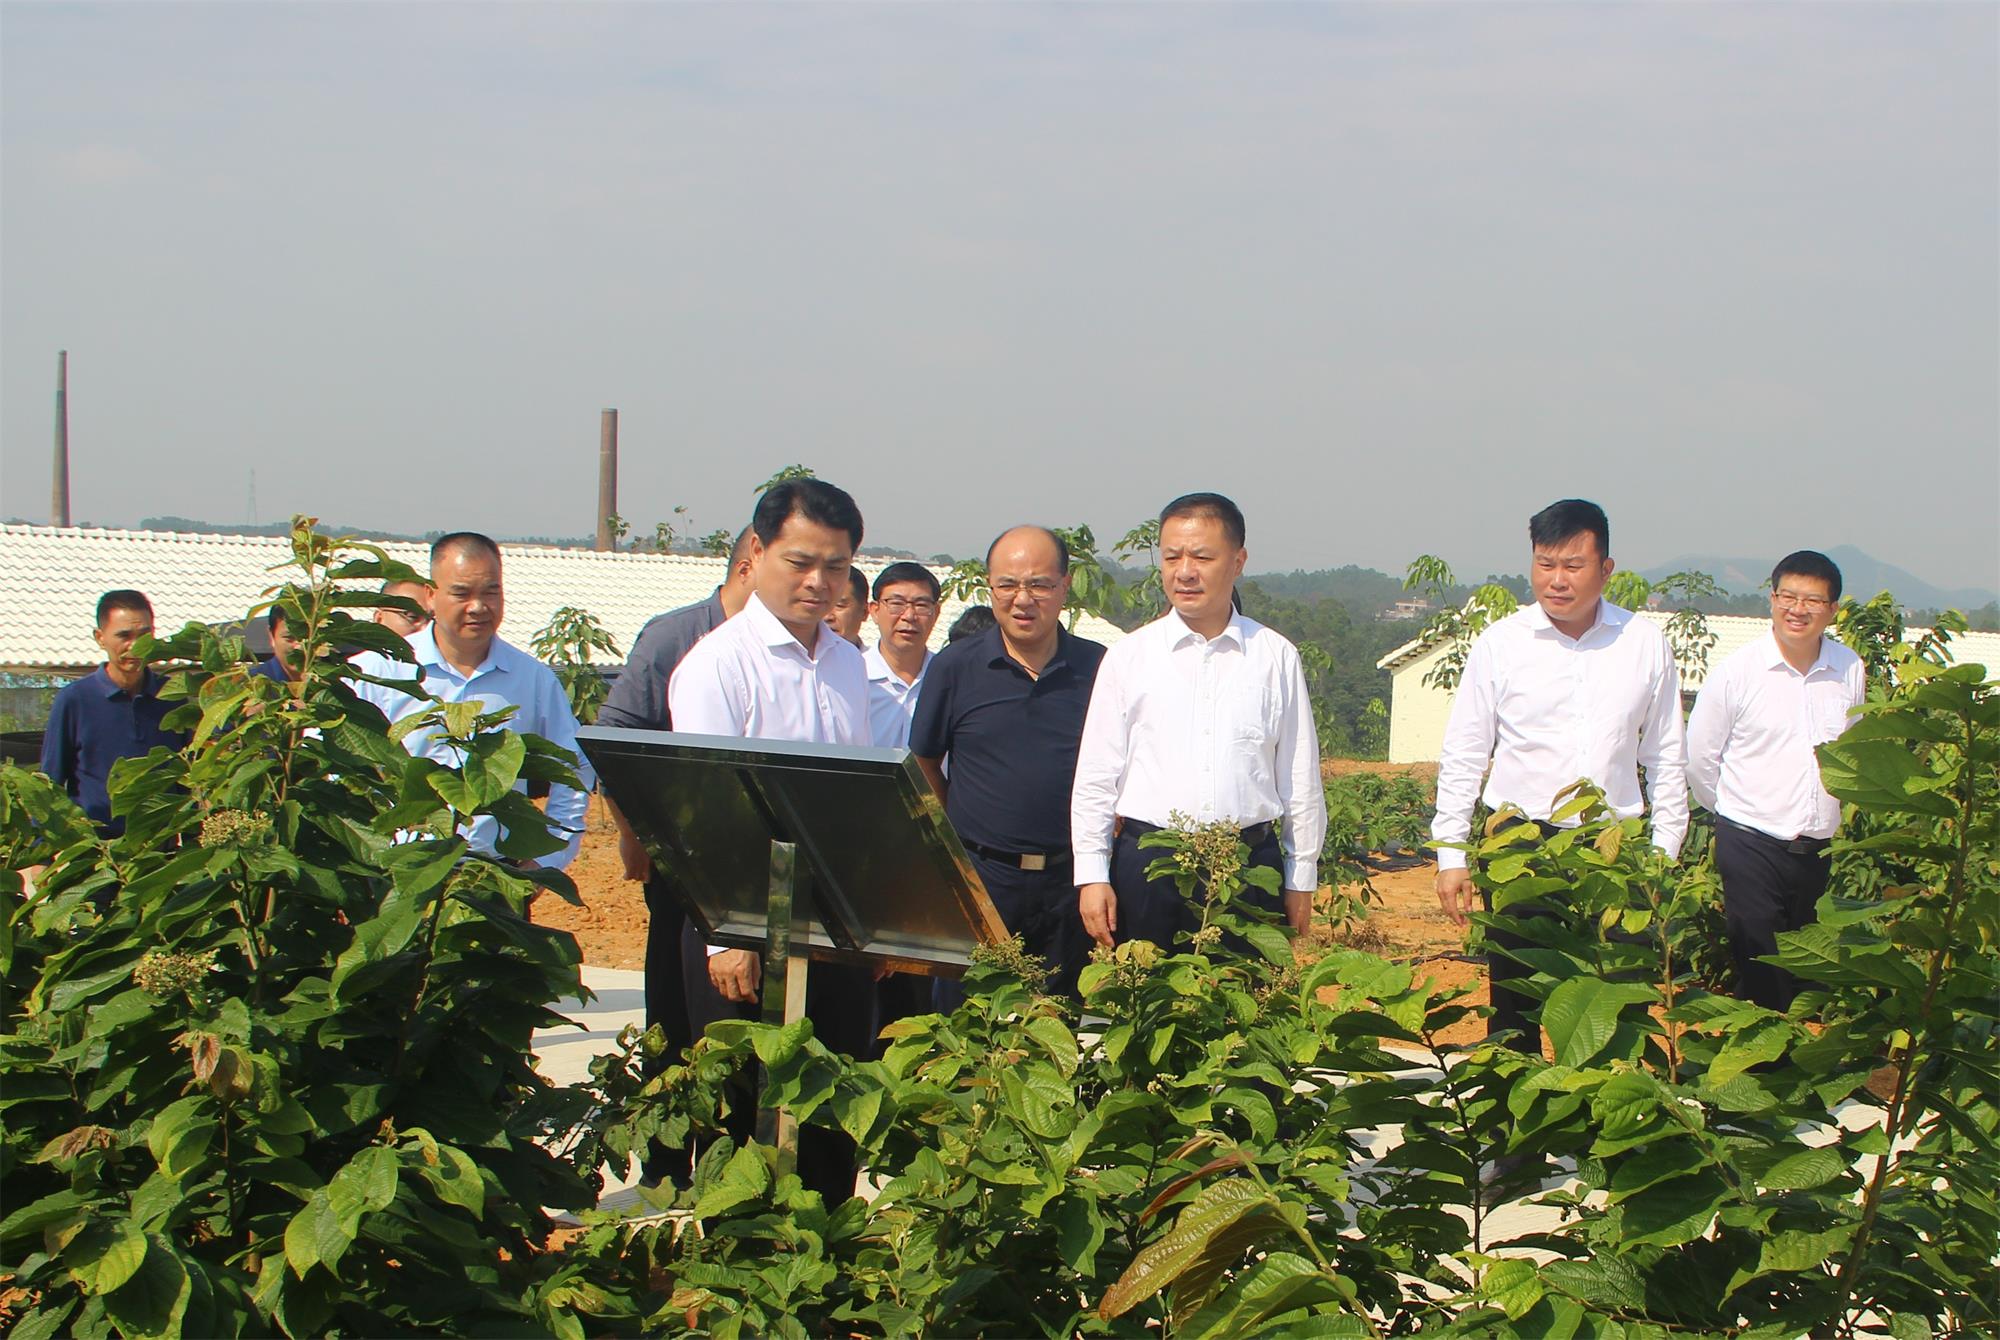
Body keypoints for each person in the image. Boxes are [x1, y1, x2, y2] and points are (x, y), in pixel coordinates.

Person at [668, 478, 876, 1207]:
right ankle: (737, 1263)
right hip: (744, 925)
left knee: (833, 1103)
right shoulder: (717, 665)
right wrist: (727, 938)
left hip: (830, 919)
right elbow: (703, 817)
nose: (819, 582)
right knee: (741, 1114)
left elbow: (855, 800)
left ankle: (824, 1252)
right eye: (801, 562)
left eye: (836, 566)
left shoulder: (848, 664)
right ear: (756, 553)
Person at [1430, 498, 1689, 1054]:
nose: (1557, 580)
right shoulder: (1502, 644)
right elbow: (1465, 753)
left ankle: (1610, 1108)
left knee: (1619, 998)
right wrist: (1451, 854)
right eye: (1545, 564)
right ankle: (1514, 1111)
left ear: (1606, 569)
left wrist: (1663, 852)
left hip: (1614, 847)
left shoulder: (1642, 644)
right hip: (1518, 842)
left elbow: (1666, 754)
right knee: (1515, 997)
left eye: (1573, 565)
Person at [1072, 494, 1325, 953]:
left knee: (1248, 992)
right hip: (1150, 869)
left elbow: (1299, 776)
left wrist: (1301, 875)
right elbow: (1096, 776)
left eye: (1202, 557)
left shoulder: (1275, 656)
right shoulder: (1129, 657)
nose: (1184, 572)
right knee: (1148, 992)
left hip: (1248, 868)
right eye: (1172, 557)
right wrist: (1092, 873)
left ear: (1238, 561)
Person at [593, 524, 755, 1187]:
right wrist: (633, 835)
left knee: (739, 1034)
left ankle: (733, 1172)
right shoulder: (677, 637)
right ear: (751, 565)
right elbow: (613, 740)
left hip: (755, 875)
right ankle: (666, 1171)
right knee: (675, 1021)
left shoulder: (793, 648)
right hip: (681, 868)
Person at [914, 527, 1106, 1003]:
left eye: (1039, 584)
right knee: (967, 1018)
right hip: (982, 880)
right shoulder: (955, 667)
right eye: (1008, 584)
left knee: (1057, 1021)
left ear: (1064, 586)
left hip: (1068, 883)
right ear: (990, 587)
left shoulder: (1099, 668)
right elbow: (925, 762)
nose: (1023, 599)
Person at [349, 533, 591, 871]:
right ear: (431, 596)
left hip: (492, 873)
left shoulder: (532, 679)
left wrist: (546, 861)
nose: (478, 607)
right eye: (461, 593)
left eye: (491, 592)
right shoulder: (379, 672)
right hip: (398, 871)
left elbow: (574, 765)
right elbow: (333, 766)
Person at [1686, 550, 1863, 1011]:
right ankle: (1764, 1052)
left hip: (1816, 846)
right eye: (1788, 596)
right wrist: (1732, 814)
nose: (1797, 609)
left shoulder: (1850, 669)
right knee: (1760, 958)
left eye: (1812, 600)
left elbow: (1851, 749)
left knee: (1804, 963)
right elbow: (1700, 757)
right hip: (1750, 839)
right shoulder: (1737, 672)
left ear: (1832, 609)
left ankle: (1774, 1049)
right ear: (1772, 598)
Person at [862, 561, 944, 1030]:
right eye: (896, 603)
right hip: (866, 847)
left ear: (936, 613)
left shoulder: (950, 677)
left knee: (923, 988)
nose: (908, 616)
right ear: (874, 610)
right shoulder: (848, 675)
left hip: (931, 845)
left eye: (921, 605)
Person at [40, 590, 188, 835]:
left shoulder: (172, 697)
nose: (135, 646)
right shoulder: (75, 700)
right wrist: (43, 849)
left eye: (144, 635)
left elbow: (188, 777)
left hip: (160, 849)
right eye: (124, 636)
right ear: (100, 638)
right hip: (97, 850)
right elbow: (49, 783)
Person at [252, 605, 304, 686]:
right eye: (289, 638)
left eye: (308, 638)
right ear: (271, 636)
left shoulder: (325, 683)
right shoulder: (252, 684)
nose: (300, 647)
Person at [825, 567, 869, 648]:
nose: (827, 617)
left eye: (839, 605)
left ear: (864, 612)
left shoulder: (871, 657)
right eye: (821, 604)